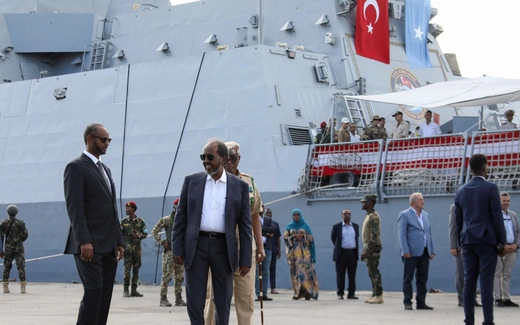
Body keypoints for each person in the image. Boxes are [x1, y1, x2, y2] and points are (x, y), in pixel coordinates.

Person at [172, 139, 253, 325]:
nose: (205, 161)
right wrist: (177, 249)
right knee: (195, 300)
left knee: (223, 300)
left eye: (210, 157)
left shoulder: (239, 187)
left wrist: (245, 259)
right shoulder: (191, 182)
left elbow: (245, 225)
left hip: (223, 248)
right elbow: (180, 219)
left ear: (223, 159)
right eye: (203, 157)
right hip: (196, 246)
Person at [63, 123, 124, 325]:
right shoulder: (76, 167)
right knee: (93, 291)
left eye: (109, 140)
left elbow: (112, 210)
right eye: (103, 139)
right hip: (88, 245)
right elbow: (75, 209)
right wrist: (84, 241)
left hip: (108, 244)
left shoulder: (105, 169)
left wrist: (119, 241)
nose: (107, 143)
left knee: (105, 294)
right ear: (90, 139)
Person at [204, 140, 265, 325]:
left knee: (246, 297)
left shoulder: (249, 182)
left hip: (245, 246)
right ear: (221, 159)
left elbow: (255, 216)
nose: (231, 162)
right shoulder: (212, 182)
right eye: (227, 158)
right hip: (220, 245)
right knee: (214, 296)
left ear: (239, 159)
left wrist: (260, 245)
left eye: (235, 159)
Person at [455, 153, 508, 325]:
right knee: (486, 281)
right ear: (485, 168)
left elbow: (458, 220)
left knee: (469, 280)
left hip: (468, 240)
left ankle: (468, 320)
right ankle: (488, 321)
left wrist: (460, 242)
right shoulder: (491, 188)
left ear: (471, 169)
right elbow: (496, 217)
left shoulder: (461, 190)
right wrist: (503, 242)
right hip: (487, 240)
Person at [397, 193, 435, 310]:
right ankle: (407, 301)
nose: (423, 201)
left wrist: (431, 250)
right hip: (410, 252)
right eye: (420, 200)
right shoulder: (404, 215)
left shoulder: (426, 215)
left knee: (422, 278)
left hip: (424, 251)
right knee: (408, 278)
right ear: (413, 202)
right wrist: (405, 250)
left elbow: (428, 234)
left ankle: (421, 302)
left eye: (423, 199)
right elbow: (402, 234)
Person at [151, 198, 187, 307]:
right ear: (174, 207)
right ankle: (163, 298)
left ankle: (178, 298)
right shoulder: (166, 220)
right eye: (178, 206)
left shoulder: (186, 219)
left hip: (181, 253)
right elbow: (154, 232)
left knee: (179, 276)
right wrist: (162, 242)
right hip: (170, 253)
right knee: (167, 276)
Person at [449, 204, 482, 307]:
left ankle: (472, 298)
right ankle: (462, 298)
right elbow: (453, 226)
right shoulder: (455, 207)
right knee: (461, 273)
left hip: (474, 244)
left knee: (473, 273)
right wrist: (454, 245)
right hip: (461, 246)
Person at [284, 209, 319, 300]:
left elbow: (311, 239)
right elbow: (285, 238)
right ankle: (297, 293)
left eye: (298, 215)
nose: (296, 216)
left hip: (305, 254)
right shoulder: (289, 226)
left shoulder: (305, 225)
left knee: (307, 272)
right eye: (294, 215)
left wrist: (303, 236)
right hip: (294, 254)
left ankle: (309, 293)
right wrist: (293, 236)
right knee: (295, 273)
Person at [493, 192, 520, 307]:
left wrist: (516, 245)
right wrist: (502, 245)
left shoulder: (513, 215)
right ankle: (497, 298)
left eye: (508, 200)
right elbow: (493, 232)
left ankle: (507, 298)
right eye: (504, 200)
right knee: (497, 274)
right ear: (499, 201)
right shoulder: (494, 215)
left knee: (507, 274)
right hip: (500, 250)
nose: (506, 203)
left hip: (512, 249)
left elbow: (518, 231)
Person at [359, 194, 384, 304]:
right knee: (371, 271)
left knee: (374, 271)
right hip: (370, 247)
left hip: (373, 248)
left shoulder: (373, 217)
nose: (362, 204)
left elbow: (374, 236)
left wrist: (367, 251)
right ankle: (374, 294)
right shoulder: (369, 215)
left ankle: (379, 295)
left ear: (370, 203)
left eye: (364, 202)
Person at [331, 209, 359, 300]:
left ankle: (351, 293)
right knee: (340, 274)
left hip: (352, 253)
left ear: (351, 215)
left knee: (352, 274)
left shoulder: (355, 226)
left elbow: (356, 238)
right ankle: (340, 293)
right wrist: (339, 247)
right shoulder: (337, 227)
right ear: (341, 216)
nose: (347, 215)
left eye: (348, 214)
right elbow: (333, 238)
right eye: (344, 214)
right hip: (341, 253)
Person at [120, 201, 147, 298]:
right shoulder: (123, 222)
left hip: (137, 250)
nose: (126, 210)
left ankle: (134, 290)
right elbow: (119, 235)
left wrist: (139, 235)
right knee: (127, 270)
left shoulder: (140, 221)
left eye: (128, 208)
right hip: (127, 250)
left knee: (136, 269)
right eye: (126, 208)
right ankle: (125, 290)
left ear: (133, 209)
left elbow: (146, 233)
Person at [1, 205, 29, 294]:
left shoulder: (3, 223)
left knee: (7, 266)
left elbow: (0, 237)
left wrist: (0, 250)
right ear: (16, 212)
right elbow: (25, 234)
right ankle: (23, 288)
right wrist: (19, 240)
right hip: (18, 248)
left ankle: (5, 287)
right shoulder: (20, 222)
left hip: (8, 248)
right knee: (21, 266)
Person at [255, 207, 276, 301]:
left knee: (265, 271)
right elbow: (252, 229)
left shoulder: (268, 220)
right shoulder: (252, 218)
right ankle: (258, 293)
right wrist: (266, 232)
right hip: (256, 248)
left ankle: (264, 293)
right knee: (256, 271)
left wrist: (260, 229)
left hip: (267, 248)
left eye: (262, 208)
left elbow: (273, 229)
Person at [266, 208, 282, 295]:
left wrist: (279, 249)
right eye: (267, 213)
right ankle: (262, 289)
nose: (269, 214)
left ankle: (273, 287)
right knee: (263, 271)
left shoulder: (275, 224)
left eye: (270, 213)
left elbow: (278, 238)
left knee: (272, 269)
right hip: (264, 250)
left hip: (273, 250)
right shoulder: (261, 223)